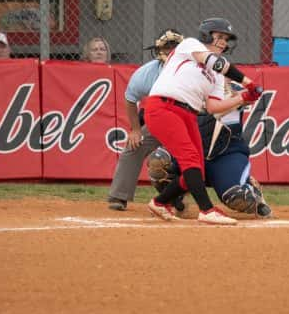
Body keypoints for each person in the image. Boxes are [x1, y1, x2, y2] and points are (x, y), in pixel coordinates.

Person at [143, 17, 261, 225]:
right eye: (220, 36)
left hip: (189, 114)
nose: (224, 42)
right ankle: (206, 210)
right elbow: (216, 62)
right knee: (189, 158)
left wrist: (243, 97)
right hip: (164, 106)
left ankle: (160, 202)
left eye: (227, 39)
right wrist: (248, 83)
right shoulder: (190, 45)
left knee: (197, 167)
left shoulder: (216, 77)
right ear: (207, 34)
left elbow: (214, 108)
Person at [146, 82, 272, 219]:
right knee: (158, 160)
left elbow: (246, 96)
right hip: (191, 150)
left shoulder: (233, 90)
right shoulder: (185, 88)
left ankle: (253, 193)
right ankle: (175, 201)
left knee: (237, 197)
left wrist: (236, 97)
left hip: (226, 156)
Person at [107, 29, 185, 211]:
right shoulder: (147, 72)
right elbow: (130, 98)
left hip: (189, 121)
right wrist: (135, 129)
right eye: (167, 47)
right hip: (159, 121)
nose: (171, 51)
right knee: (134, 145)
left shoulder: (193, 70)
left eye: (175, 47)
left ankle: (175, 197)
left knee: (178, 157)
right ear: (158, 50)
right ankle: (119, 196)